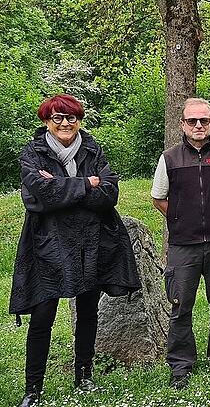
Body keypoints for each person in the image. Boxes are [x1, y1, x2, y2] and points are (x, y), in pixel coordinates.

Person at [10, 94, 141, 407]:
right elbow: (38, 196)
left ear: (79, 120)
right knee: (43, 316)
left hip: (90, 243)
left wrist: (62, 186)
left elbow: (109, 193)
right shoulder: (33, 152)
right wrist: (86, 184)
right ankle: (33, 389)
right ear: (46, 121)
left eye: (71, 118)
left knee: (88, 312)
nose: (65, 124)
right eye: (57, 118)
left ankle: (84, 375)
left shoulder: (92, 149)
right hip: (48, 245)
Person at [151, 97, 210, 389]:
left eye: (204, 120)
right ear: (182, 124)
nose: (198, 125)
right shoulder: (169, 158)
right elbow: (158, 198)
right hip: (183, 246)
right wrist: (181, 218)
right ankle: (180, 365)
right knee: (180, 306)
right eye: (192, 120)